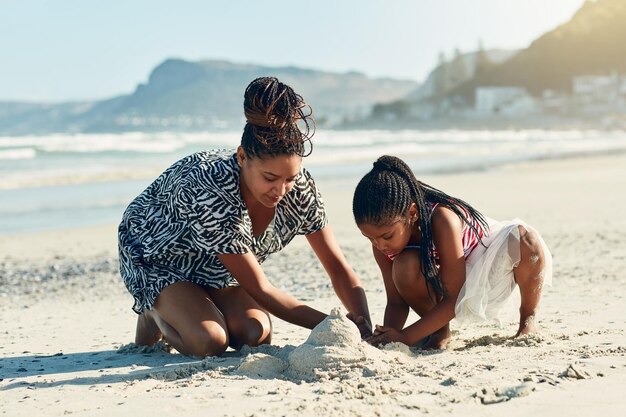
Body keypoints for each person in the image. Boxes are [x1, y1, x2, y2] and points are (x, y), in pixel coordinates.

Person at [118, 77, 372, 357]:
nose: (280, 190)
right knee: (208, 341)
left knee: (255, 334)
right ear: (241, 157)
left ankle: (198, 301)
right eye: (269, 178)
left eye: (290, 178)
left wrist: (363, 324)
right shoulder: (210, 191)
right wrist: (335, 326)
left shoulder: (299, 190)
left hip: (217, 264)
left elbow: (337, 267)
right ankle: (152, 310)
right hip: (159, 256)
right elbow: (262, 289)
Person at [352, 155, 552, 349]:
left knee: (526, 241)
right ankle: (440, 331)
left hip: (486, 265)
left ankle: (528, 318)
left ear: (412, 214)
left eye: (387, 236)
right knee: (404, 266)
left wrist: (405, 336)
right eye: (369, 238)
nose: (379, 245)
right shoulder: (380, 241)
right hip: (448, 280)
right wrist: (387, 337)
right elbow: (396, 302)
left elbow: (454, 297)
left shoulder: (442, 219)